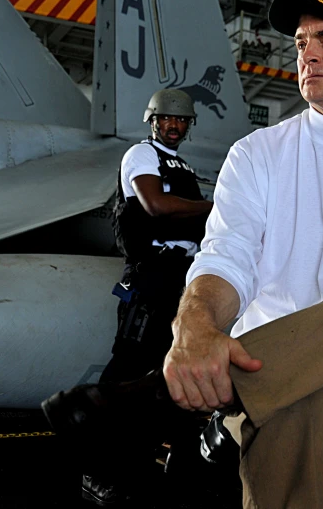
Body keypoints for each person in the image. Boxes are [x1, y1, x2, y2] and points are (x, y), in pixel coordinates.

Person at [42, 0, 323, 509]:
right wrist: (196, 326)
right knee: (293, 398)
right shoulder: (255, 155)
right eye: (301, 43)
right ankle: (234, 381)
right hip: (276, 380)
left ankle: (165, 398)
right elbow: (225, 257)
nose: (308, 53)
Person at [82, 88, 213, 506]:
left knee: (166, 372)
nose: (174, 126)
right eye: (167, 120)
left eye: (181, 121)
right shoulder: (142, 156)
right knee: (126, 372)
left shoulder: (182, 165)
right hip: (152, 276)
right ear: (153, 121)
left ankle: (152, 459)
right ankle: (94, 472)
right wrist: (217, 206)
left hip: (180, 280)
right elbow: (155, 206)